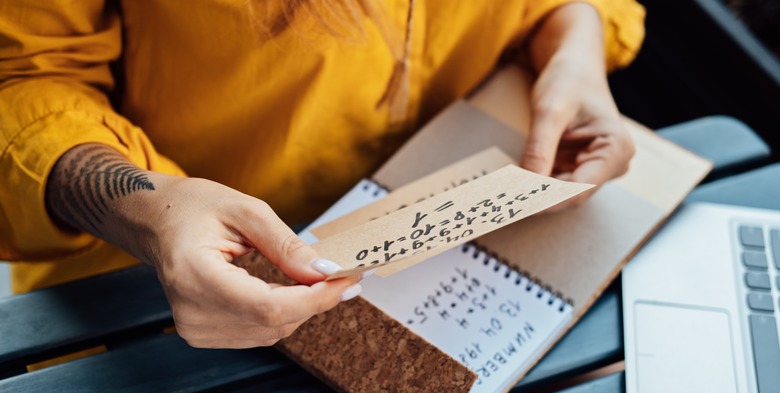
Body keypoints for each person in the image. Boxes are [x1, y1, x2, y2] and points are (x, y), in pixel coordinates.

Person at [0, 0, 645, 348]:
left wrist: (575, 43)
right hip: (146, 295)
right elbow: (22, 79)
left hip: (461, 265)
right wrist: (150, 210)